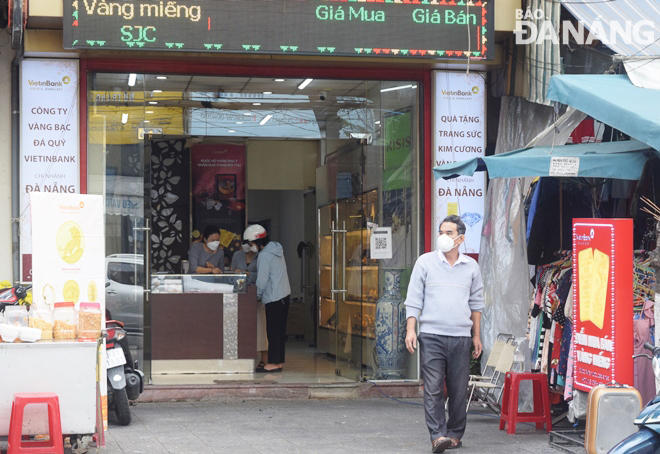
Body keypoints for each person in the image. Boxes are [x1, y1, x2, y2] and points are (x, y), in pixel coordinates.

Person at [404, 215, 484, 453]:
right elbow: (414, 299)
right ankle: (438, 436)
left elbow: (476, 304)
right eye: (441, 232)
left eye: (449, 233)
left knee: (459, 389)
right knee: (434, 387)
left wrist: (476, 336)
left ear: (461, 238)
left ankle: (455, 433)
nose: (443, 237)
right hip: (431, 335)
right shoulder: (425, 262)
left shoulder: (471, 267)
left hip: (461, 337)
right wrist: (411, 329)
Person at [244, 224, 291, 373]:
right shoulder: (277, 248)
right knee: (280, 331)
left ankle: (272, 363)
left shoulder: (264, 255)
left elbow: (263, 280)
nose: (251, 247)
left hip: (273, 297)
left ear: (256, 241)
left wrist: (256, 295)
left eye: (251, 243)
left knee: (273, 331)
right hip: (285, 294)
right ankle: (277, 362)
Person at [232, 237, 267, 368]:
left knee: (261, 325)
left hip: (258, 293)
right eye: (245, 243)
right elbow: (232, 272)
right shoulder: (237, 255)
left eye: (250, 243)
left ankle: (264, 358)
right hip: (241, 293)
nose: (247, 246)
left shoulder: (261, 255)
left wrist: (248, 274)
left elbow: (263, 275)